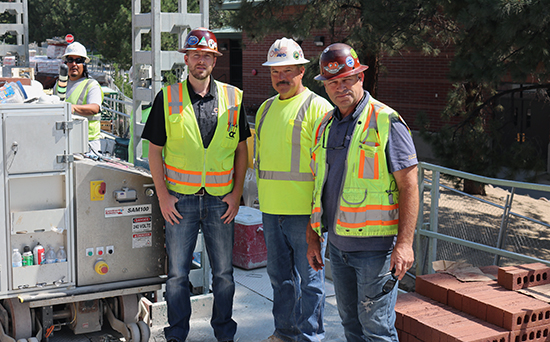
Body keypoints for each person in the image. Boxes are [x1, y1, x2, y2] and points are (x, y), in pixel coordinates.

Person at [142, 27, 250, 342]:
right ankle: (177, 333)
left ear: (214, 61)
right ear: (186, 59)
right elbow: (154, 151)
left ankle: (224, 333)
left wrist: (236, 194)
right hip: (179, 202)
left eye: (207, 55)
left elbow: (242, 149)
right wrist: (163, 197)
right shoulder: (168, 97)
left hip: (220, 202)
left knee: (224, 275)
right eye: (196, 55)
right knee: (177, 276)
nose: (201, 60)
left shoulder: (233, 98)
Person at [306, 43, 419, 342]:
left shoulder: (386, 121)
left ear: (361, 79)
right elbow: (319, 187)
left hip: (376, 251)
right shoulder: (325, 126)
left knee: (377, 330)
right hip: (339, 248)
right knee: (351, 325)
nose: (340, 88)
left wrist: (405, 244)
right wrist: (313, 235)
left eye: (347, 79)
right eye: (332, 82)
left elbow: (409, 185)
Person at [255, 37, 334, 342]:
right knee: (280, 280)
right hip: (272, 212)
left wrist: (319, 219)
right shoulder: (264, 110)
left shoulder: (319, 108)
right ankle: (284, 333)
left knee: (312, 282)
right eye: (276, 71)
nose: (282, 77)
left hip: (305, 216)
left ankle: (310, 337)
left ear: (302, 70)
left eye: (288, 70)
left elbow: (327, 170)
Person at [57, 42, 104, 153]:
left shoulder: (91, 85)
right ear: (65, 63)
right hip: (65, 141)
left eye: (78, 61)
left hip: (88, 143)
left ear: (84, 64)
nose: (74, 64)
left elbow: (94, 108)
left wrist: (72, 108)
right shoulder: (59, 85)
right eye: (70, 60)